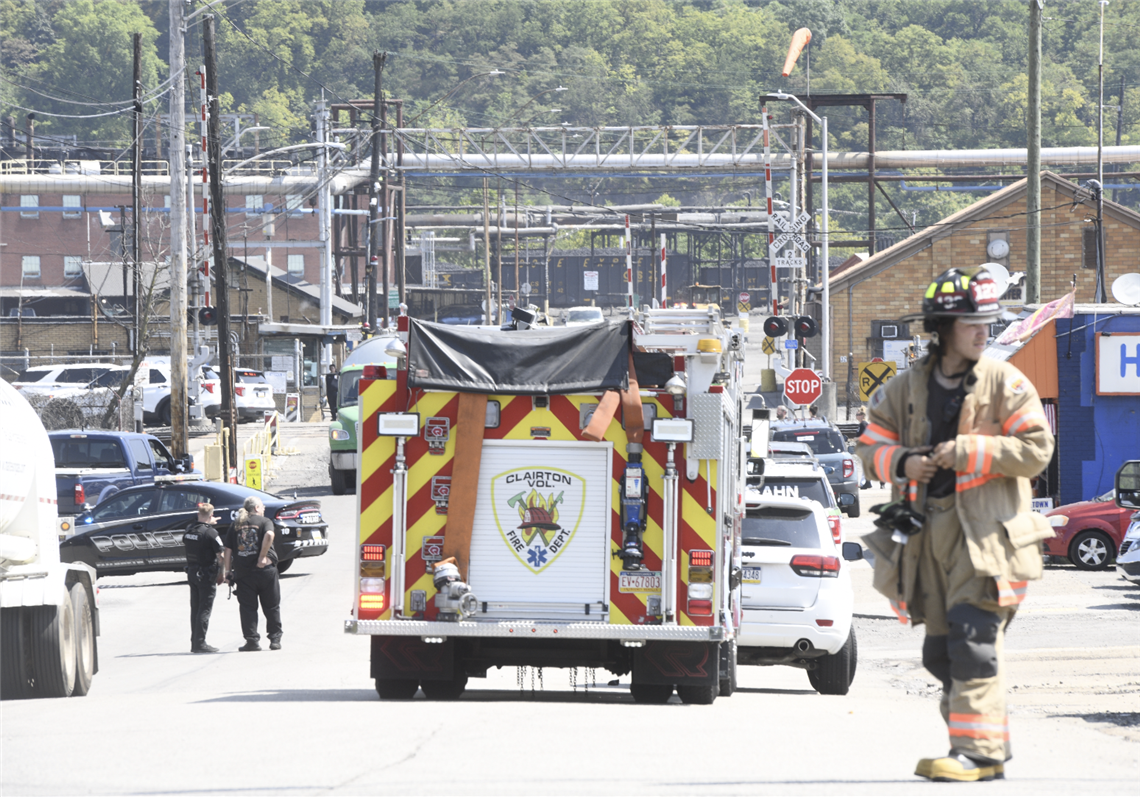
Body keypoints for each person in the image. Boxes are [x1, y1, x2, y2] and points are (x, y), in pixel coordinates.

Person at [856, 266, 1054, 783]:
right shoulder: (908, 387)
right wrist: (902, 462)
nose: (982, 332)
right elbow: (868, 445)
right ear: (942, 327)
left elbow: (1037, 450)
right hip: (929, 538)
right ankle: (986, 749)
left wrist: (971, 450)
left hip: (987, 537)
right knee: (941, 653)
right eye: (971, 323)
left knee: (972, 641)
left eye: (985, 322)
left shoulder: (1004, 382)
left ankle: (977, 754)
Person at [221, 496, 282, 651]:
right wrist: (262, 556)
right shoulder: (265, 521)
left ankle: (252, 641)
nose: (264, 509)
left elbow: (227, 550)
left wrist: (228, 572)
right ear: (256, 508)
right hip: (265, 571)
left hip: (244, 574)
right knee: (272, 606)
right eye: (262, 507)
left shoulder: (236, 524)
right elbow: (269, 535)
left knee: (248, 608)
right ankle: (275, 640)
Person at [184, 503, 224, 653]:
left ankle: (195, 642)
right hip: (206, 574)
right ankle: (200, 643)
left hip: (192, 572)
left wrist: (207, 523)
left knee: (195, 608)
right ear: (211, 515)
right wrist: (222, 573)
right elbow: (221, 555)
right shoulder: (211, 533)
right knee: (204, 609)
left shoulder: (189, 530)